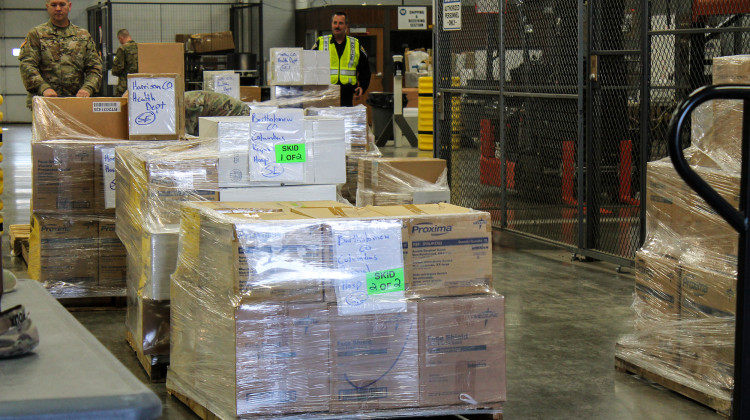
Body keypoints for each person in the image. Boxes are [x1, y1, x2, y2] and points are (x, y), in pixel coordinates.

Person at [19, 0, 102, 110]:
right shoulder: (36, 35)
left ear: (69, 6)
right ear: (47, 7)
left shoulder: (83, 36)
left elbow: (95, 67)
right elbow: (27, 65)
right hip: (45, 102)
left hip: (76, 102)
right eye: (54, 5)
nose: (58, 8)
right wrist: (43, 88)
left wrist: (87, 88)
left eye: (62, 4)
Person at [312, 12, 371, 107]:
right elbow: (309, 66)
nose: (337, 26)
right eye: (335, 23)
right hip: (325, 94)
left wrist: (362, 87)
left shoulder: (355, 44)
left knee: (345, 121)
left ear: (346, 25)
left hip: (347, 95)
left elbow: (365, 70)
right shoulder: (321, 43)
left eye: (340, 23)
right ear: (331, 25)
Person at [184, 90, 251, 136]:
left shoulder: (188, 104)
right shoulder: (182, 100)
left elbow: (188, 134)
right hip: (228, 114)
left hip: (239, 114)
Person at [112, 29, 138, 97]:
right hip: (139, 83)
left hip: (125, 85)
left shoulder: (122, 49)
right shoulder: (139, 47)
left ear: (120, 38)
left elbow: (117, 68)